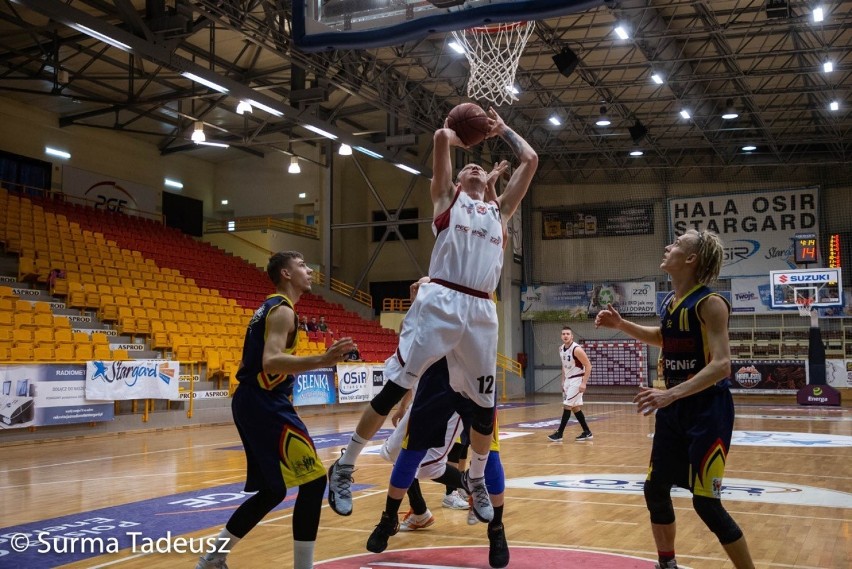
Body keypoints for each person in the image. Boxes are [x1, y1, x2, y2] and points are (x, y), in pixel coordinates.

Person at [327, 107, 537, 522]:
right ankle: (346, 465)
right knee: (396, 385)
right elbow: (441, 138)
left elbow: (530, 161)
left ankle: (474, 479)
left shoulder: (500, 212)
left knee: (483, 406)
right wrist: (456, 136)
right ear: (456, 182)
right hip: (441, 300)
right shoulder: (447, 200)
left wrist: (503, 129)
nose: (474, 167)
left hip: (481, 308)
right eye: (467, 168)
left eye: (479, 168)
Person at [594, 230, 755, 569]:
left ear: (690, 259)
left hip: (707, 410)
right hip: (673, 409)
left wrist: (670, 393)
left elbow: (723, 364)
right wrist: (623, 325)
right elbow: (663, 337)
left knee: (707, 504)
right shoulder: (669, 302)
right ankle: (666, 564)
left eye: (678, 245)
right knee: (655, 490)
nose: (669, 247)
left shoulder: (711, 304)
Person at [194, 251, 356, 569]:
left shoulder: (272, 307)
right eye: (302, 266)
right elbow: (270, 360)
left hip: (254, 401)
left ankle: (213, 557)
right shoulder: (282, 311)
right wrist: (321, 361)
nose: (310, 270)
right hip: (263, 402)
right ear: (285, 273)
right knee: (312, 482)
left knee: (272, 490)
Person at [369, 356, 510, 568]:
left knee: (489, 455)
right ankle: (391, 518)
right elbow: (411, 361)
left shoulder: (480, 328)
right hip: (435, 380)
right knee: (403, 454)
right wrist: (402, 405)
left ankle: (496, 528)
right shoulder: (421, 332)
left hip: (474, 377)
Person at [547, 326, 593, 442]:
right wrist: (563, 381)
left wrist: (584, 383)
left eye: (568, 334)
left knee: (567, 405)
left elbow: (588, 365)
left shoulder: (576, 349)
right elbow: (564, 365)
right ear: (561, 336)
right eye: (563, 334)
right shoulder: (561, 349)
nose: (565, 336)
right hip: (568, 380)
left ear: (572, 336)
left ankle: (559, 433)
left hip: (577, 380)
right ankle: (587, 431)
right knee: (575, 407)